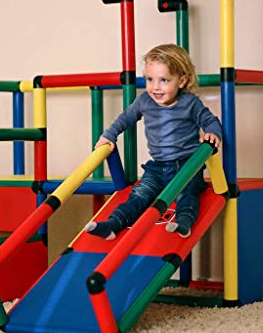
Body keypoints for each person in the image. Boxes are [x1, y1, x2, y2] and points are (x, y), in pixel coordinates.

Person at [85, 44, 222, 240]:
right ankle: (113, 224)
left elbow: (210, 121)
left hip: (187, 166)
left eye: (164, 80)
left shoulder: (190, 103)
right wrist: (109, 135)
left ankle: (184, 222)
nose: (155, 87)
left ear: (181, 81)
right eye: (150, 79)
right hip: (157, 167)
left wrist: (212, 134)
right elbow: (125, 118)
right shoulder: (144, 101)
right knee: (140, 194)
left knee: (186, 193)